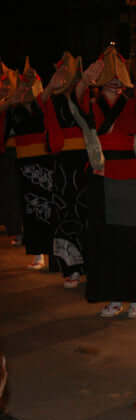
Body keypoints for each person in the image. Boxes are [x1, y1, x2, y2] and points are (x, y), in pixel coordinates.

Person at [71, 45, 136, 318]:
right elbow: (76, 100)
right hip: (102, 175)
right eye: (107, 75)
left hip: (129, 176)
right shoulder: (91, 103)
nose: (113, 80)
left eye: (118, 75)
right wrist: (84, 81)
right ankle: (113, 297)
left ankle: (135, 296)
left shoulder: (135, 103)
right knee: (104, 241)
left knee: (131, 241)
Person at [37, 52, 91, 289]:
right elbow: (41, 101)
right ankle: (71, 268)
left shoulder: (84, 95)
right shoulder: (55, 98)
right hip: (62, 161)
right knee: (65, 210)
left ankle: (88, 265)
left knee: (86, 210)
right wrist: (52, 83)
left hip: (85, 160)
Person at [2, 58, 51, 270]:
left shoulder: (45, 106)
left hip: (44, 161)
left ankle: (52, 254)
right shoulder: (14, 109)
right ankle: (38, 252)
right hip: (22, 162)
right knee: (30, 208)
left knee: (47, 207)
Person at [0, 63, 23, 248]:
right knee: (10, 192)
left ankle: (19, 229)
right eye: (4, 83)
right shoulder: (6, 104)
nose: (6, 86)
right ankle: (15, 228)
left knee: (18, 191)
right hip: (7, 152)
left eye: (9, 82)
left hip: (21, 151)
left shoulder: (21, 102)